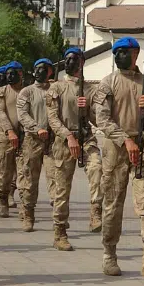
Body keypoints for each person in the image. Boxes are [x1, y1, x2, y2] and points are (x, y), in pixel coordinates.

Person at [92, 36, 144, 279]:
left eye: (125, 51)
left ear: (136, 54)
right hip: (116, 150)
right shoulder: (108, 83)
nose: (120, 56)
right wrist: (124, 139)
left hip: (143, 148)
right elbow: (102, 119)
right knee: (113, 204)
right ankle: (109, 254)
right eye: (117, 52)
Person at [45, 48, 97, 249]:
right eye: (66, 59)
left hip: (85, 137)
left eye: (74, 59)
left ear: (81, 63)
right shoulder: (56, 88)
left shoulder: (89, 89)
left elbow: (97, 118)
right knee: (62, 189)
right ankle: (60, 232)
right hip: (64, 141)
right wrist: (68, 136)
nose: (69, 62)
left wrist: (87, 109)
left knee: (97, 168)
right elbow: (52, 118)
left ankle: (96, 211)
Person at [15, 58, 56, 233]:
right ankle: (28, 215)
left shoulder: (56, 90)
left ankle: (59, 217)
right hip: (33, 139)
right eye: (36, 68)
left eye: (43, 69)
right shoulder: (27, 92)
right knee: (29, 180)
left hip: (53, 140)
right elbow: (22, 114)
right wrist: (36, 128)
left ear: (50, 72)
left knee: (55, 179)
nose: (39, 72)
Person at [0, 61, 25, 219]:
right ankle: (3, 199)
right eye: (8, 73)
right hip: (6, 137)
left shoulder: (27, 91)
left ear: (21, 74)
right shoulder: (0, 92)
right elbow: (0, 113)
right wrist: (9, 131)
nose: (10, 76)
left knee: (25, 172)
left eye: (14, 73)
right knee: (4, 171)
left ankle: (23, 203)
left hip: (25, 137)